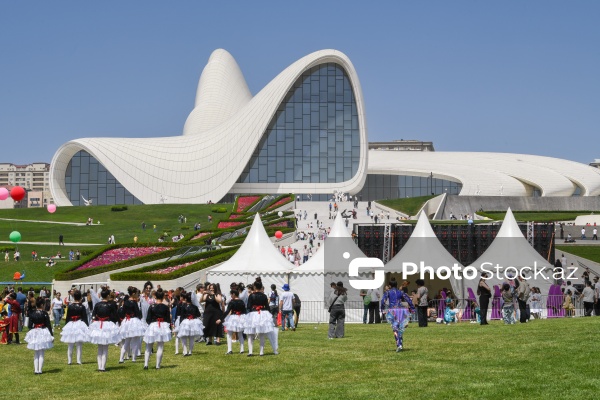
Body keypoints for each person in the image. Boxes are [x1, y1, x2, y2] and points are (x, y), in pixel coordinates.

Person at [89, 288, 120, 372]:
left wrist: (96, 320)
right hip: (106, 325)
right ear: (107, 295)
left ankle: (100, 366)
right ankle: (103, 367)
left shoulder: (97, 304)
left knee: (100, 347)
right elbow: (115, 316)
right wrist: (116, 322)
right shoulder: (110, 305)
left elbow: (93, 315)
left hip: (99, 325)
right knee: (105, 347)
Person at [243, 280, 276, 356]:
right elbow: (267, 307)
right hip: (262, 314)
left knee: (250, 334)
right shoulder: (264, 296)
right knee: (262, 334)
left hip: (253, 314)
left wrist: (247, 315)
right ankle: (261, 352)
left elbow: (248, 307)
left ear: (254, 287)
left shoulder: (251, 295)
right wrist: (269, 315)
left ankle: (250, 352)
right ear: (261, 287)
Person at [380, 280, 414, 352]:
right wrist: (412, 308)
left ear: (389, 285)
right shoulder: (401, 292)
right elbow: (408, 299)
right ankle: (400, 344)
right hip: (401, 310)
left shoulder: (388, 292)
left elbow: (383, 301)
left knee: (395, 328)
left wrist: (382, 309)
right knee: (400, 328)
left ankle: (399, 344)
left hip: (393, 310)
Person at [143, 288, 172, 369]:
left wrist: (151, 323)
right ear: (163, 297)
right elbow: (168, 319)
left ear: (155, 297)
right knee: (160, 346)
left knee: (148, 346)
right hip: (162, 326)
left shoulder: (151, 306)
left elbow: (148, 319)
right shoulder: (165, 307)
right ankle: (157, 365)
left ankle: (146, 364)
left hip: (153, 325)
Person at [24, 297, 53, 374]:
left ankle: (36, 370)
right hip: (43, 332)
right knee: (41, 352)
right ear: (42, 304)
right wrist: (51, 335)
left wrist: (33, 331)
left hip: (35, 332)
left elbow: (30, 325)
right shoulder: (44, 313)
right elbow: (48, 325)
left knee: (36, 352)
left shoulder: (32, 313)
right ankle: (40, 370)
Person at [60, 289, 89, 365]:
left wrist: (66, 325)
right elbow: (84, 317)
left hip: (71, 324)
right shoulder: (82, 306)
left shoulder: (70, 306)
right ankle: (78, 360)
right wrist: (87, 326)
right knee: (79, 344)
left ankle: (69, 360)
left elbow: (68, 317)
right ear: (80, 298)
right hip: (79, 324)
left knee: (70, 344)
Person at [118, 287, 145, 363]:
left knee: (127, 341)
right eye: (137, 294)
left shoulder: (125, 302)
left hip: (127, 320)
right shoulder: (134, 302)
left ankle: (121, 358)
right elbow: (137, 313)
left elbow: (123, 312)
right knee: (135, 341)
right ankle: (133, 358)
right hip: (134, 320)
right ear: (133, 294)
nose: (138, 295)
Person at [222, 289, 246, 355]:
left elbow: (227, 311)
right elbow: (244, 311)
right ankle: (242, 349)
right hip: (240, 317)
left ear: (234, 294)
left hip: (233, 318)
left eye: (231, 294)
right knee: (240, 334)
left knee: (229, 334)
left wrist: (221, 318)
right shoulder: (242, 302)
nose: (231, 296)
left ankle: (229, 350)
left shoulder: (232, 302)